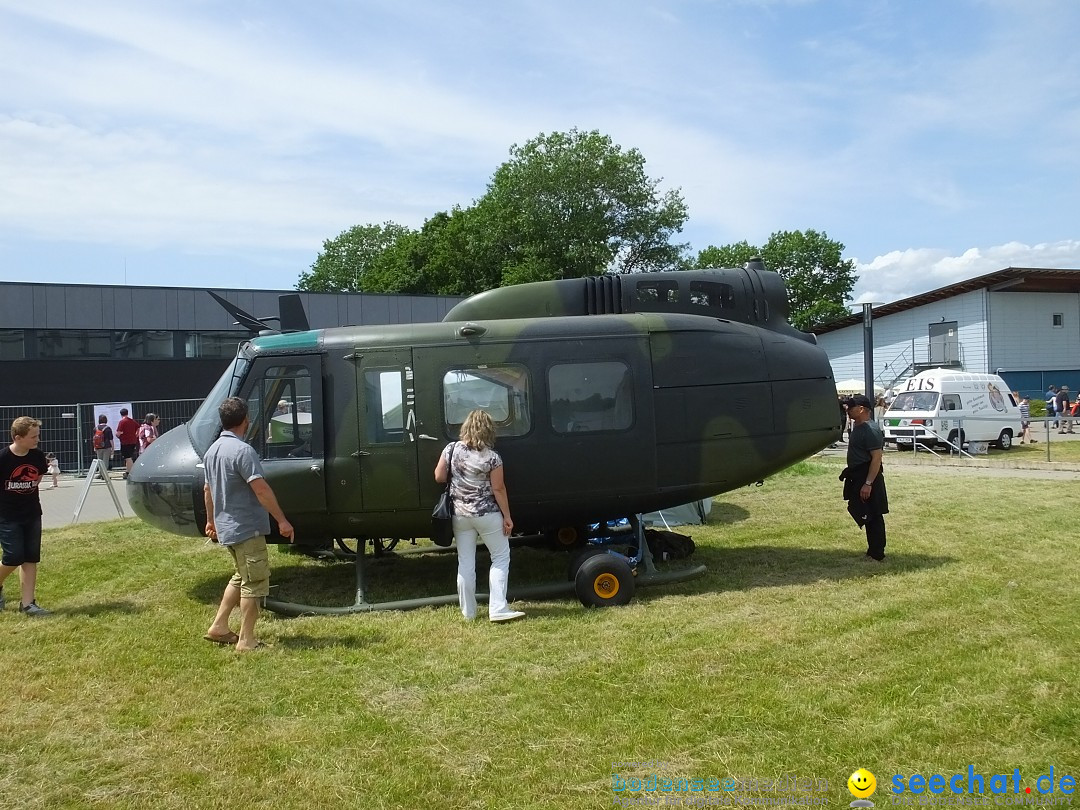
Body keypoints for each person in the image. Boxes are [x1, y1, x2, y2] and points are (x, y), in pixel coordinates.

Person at [203, 397, 294, 652]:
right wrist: (282, 520)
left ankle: (219, 626)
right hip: (247, 528)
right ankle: (246, 640)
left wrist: (211, 521)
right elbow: (261, 490)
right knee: (254, 583)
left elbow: (207, 490)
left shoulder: (212, 451)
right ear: (245, 421)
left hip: (227, 528)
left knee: (240, 575)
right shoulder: (243, 451)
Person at [434, 409, 523, 622]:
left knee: (465, 563)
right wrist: (507, 517)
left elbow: (438, 476)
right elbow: (499, 489)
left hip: (460, 516)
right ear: (489, 430)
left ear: (466, 427)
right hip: (487, 515)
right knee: (500, 558)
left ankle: (469, 614)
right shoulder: (492, 457)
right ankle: (498, 608)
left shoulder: (451, 448)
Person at [0, 417, 51, 615]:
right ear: (18, 438)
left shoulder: (37, 456)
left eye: (37, 435)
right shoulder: (3, 458)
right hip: (7, 516)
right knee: (13, 557)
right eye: (33, 436)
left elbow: (36, 479)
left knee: (30, 557)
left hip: (31, 513)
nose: (37, 440)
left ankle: (28, 604)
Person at [840, 395, 888, 562]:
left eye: (851, 407)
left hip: (868, 476)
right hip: (858, 475)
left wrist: (868, 483)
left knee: (873, 514)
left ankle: (877, 553)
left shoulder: (870, 429)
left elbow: (876, 458)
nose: (848, 410)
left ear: (861, 409)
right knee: (865, 513)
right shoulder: (857, 427)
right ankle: (872, 549)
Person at [116, 408, 140, 479]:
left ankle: (131, 472)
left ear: (121, 414)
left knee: (127, 457)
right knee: (128, 457)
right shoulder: (132, 421)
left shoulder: (122, 422)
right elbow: (138, 427)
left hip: (125, 442)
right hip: (133, 441)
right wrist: (136, 434)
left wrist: (117, 435)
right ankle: (127, 471)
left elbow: (118, 433)